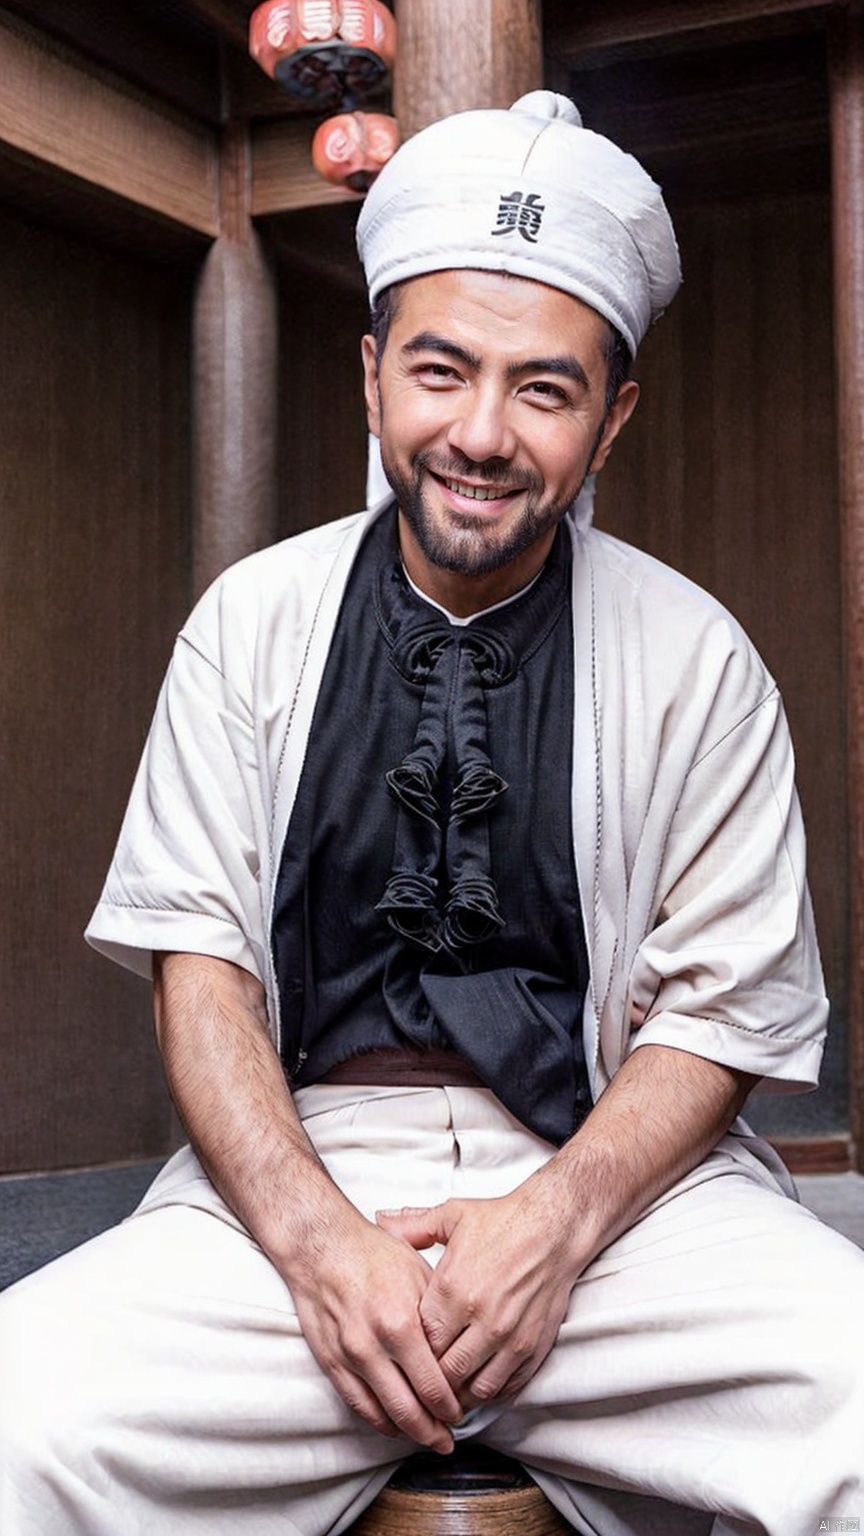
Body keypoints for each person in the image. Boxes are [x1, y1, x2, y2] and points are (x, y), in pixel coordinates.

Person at [0, 90, 861, 1536]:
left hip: (625, 1207)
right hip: (295, 1190)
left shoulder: (699, 656)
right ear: (371, 376)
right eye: (440, 371)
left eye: (544, 387)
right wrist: (321, 1243)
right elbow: (198, 965)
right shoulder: (250, 622)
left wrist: (555, 1226)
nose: (480, 432)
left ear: (613, 416)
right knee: (18, 1419)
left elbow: (720, 1015)